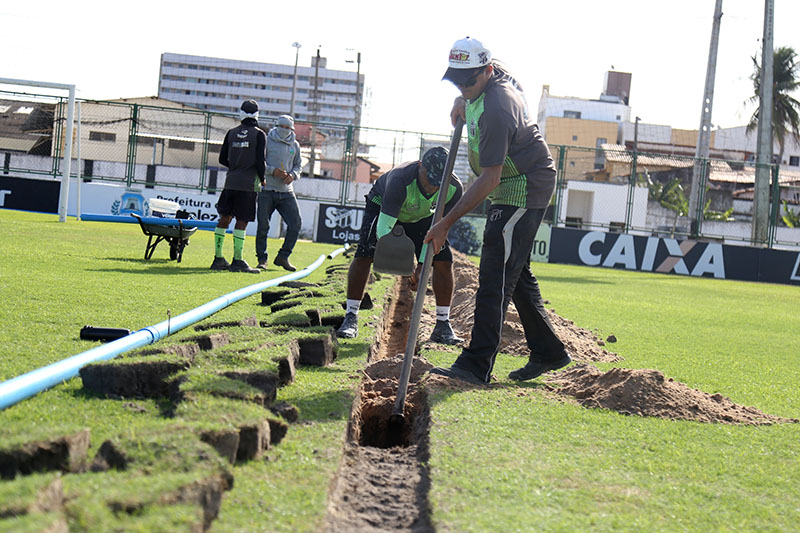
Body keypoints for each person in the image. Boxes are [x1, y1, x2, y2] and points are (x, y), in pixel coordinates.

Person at [425, 37, 571, 385]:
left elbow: (489, 178)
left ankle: (476, 365)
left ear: (487, 72)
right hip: (509, 183)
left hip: (521, 188)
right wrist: (462, 98)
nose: (463, 87)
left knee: (494, 277)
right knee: (514, 274)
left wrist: (445, 222)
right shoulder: (485, 83)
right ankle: (548, 351)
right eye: (456, 81)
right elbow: (472, 89)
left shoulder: (497, 107)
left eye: (468, 81)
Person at [336, 146, 465, 345]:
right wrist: (406, 269)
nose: (433, 187)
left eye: (439, 182)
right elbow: (384, 231)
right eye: (430, 179)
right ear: (420, 166)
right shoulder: (400, 180)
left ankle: (442, 324)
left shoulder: (454, 190)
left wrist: (422, 266)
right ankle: (351, 316)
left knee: (444, 260)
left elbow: (437, 230)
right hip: (383, 209)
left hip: (424, 218)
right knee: (364, 254)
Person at [212, 99, 266, 274]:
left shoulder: (231, 132)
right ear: (257, 114)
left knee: (225, 217)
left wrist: (236, 167)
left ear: (241, 113)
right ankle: (238, 260)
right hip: (248, 185)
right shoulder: (259, 134)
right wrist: (262, 178)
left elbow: (222, 159)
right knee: (242, 220)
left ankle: (218, 258)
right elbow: (260, 161)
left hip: (230, 182)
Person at [255, 114, 303, 272]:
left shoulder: (295, 145)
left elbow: (298, 165)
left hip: (286, 192)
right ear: (276, 126)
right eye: (281, 127)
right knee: (263, 226)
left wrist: (293, 176)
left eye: (287, 128)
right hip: (266, 189)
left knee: (295, 224)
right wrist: (272, 171)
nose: (284, 130)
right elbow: (259, 162)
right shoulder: (267, 141)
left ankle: (283, 256)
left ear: (292, 129)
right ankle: (262, 259)